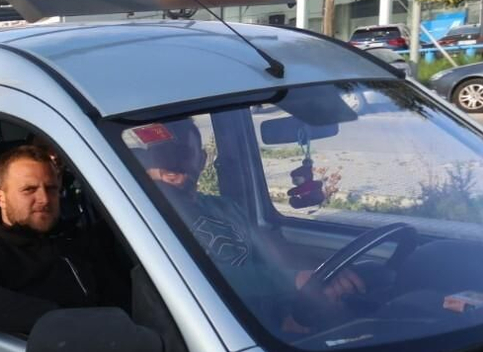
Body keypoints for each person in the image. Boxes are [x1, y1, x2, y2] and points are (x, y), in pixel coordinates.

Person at [133, 118, 363, 330]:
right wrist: (294, 279)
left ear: (202, 160)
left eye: (182, 152)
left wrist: (300, 304)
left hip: (267, 328)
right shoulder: (145, 216)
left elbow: (269, 262)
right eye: (161, 154)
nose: (171, 164)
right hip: (211, 332)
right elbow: (195, 277)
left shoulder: (227, 208)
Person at [0, 143, 120, 336]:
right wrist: (63, 321)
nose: (44, 199)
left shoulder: (73, 236)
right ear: (0, 198)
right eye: (29, 190)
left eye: (51, 188)